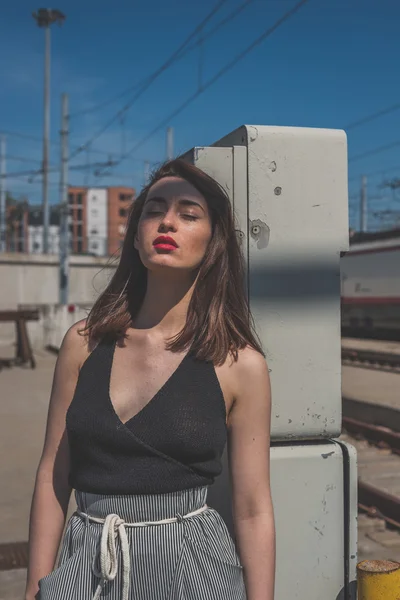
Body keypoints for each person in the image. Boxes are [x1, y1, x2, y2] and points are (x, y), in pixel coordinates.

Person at [25, 159, 275, 600]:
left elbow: (253, 508)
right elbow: (53, 473)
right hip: (90, 563)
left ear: (213, 241)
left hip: (192, 571)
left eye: (189, 213)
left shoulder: (240, 364)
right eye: (154, 210)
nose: (168, 221)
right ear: (136, 236)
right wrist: (34, 585)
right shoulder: (82, 345)